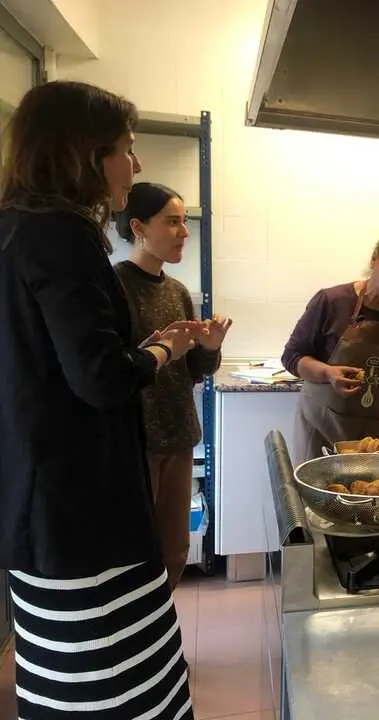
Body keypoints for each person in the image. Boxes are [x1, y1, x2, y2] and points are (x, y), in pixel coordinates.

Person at [0, 81, 200, 718]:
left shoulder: (11, 230)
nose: (134, 166)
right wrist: (164, 350)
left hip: (34, 508)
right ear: (88, 153)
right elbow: (101, 376)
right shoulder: (64, 233)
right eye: (128, 149)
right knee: (124, 690)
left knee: (58, 680)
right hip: (79, 511)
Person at [114, 182, 232, 590]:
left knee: (175, 550)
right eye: (172, 222)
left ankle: (160, 636)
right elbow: (111, 371)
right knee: (133, 553)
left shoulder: (178, 291)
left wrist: (210, 347)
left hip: (179, 437)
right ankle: (138, 644)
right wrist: (155, 350)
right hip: (136, 444)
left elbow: (196, 370)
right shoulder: (114, 287)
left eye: (184, 222)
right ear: (138, 227)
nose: (184, 232)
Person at [281, 230, 379, 463]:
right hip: (324, 435)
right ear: (375, 259)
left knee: (377, 496)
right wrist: (327, 373)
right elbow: (292, 357)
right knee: (322, 498)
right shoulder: (331, 302)